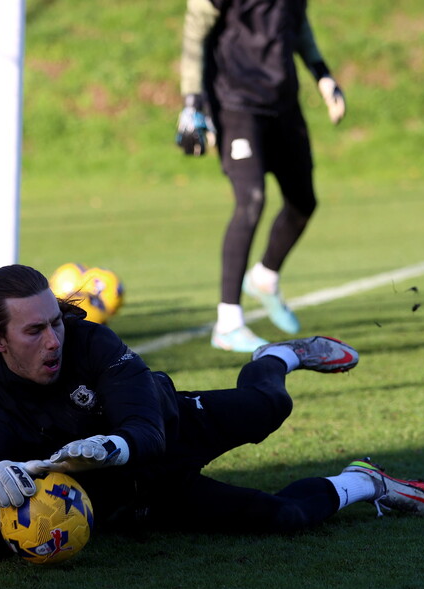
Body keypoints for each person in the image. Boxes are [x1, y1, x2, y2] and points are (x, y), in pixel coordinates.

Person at [0, 265, 424, 559]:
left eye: (56, 322)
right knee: (285, 517)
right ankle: (365, 482)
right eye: (35, 331)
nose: (54, 340)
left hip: (175, 426)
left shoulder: (92, 342)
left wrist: (111, 446)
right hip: (150, 497)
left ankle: (276, 358)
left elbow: (147, 429)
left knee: (272, 405)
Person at [176, 0, 347, 353]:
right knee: (251, 200)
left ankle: (265, 278)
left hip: (283, 104)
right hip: (235, 104)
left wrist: (322, 74)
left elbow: (298, 26)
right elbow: (195, 33)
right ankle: (228, 323)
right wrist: (192, 103)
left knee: (303, 202)